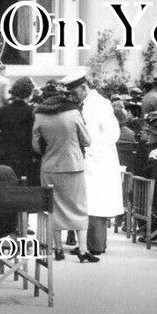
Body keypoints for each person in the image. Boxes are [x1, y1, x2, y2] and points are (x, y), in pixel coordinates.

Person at [31, 78, 91, 262]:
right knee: (79, 207)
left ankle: (58, 248)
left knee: (53, 207)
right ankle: (82, 249)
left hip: (49, 166)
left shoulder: (39, 115)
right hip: (73, 165)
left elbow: (36, 146)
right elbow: (87, 140)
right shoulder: (73, 113)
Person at [77, 73, 124, 260]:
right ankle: (90, 244)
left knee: (96, 205)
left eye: (75, 92)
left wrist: (92, 151)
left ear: (84, 88)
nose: (74, 96)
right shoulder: (87, 104)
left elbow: (112, 133)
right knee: (89, 203)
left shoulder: (100, 104)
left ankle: (95, 245)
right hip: (92, 160)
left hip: (99, 161)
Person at [0, 77, 37, 185]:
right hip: (25, 157)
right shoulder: (31, 112)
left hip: (4, 156)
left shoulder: (4, 110)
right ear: (29, 93)